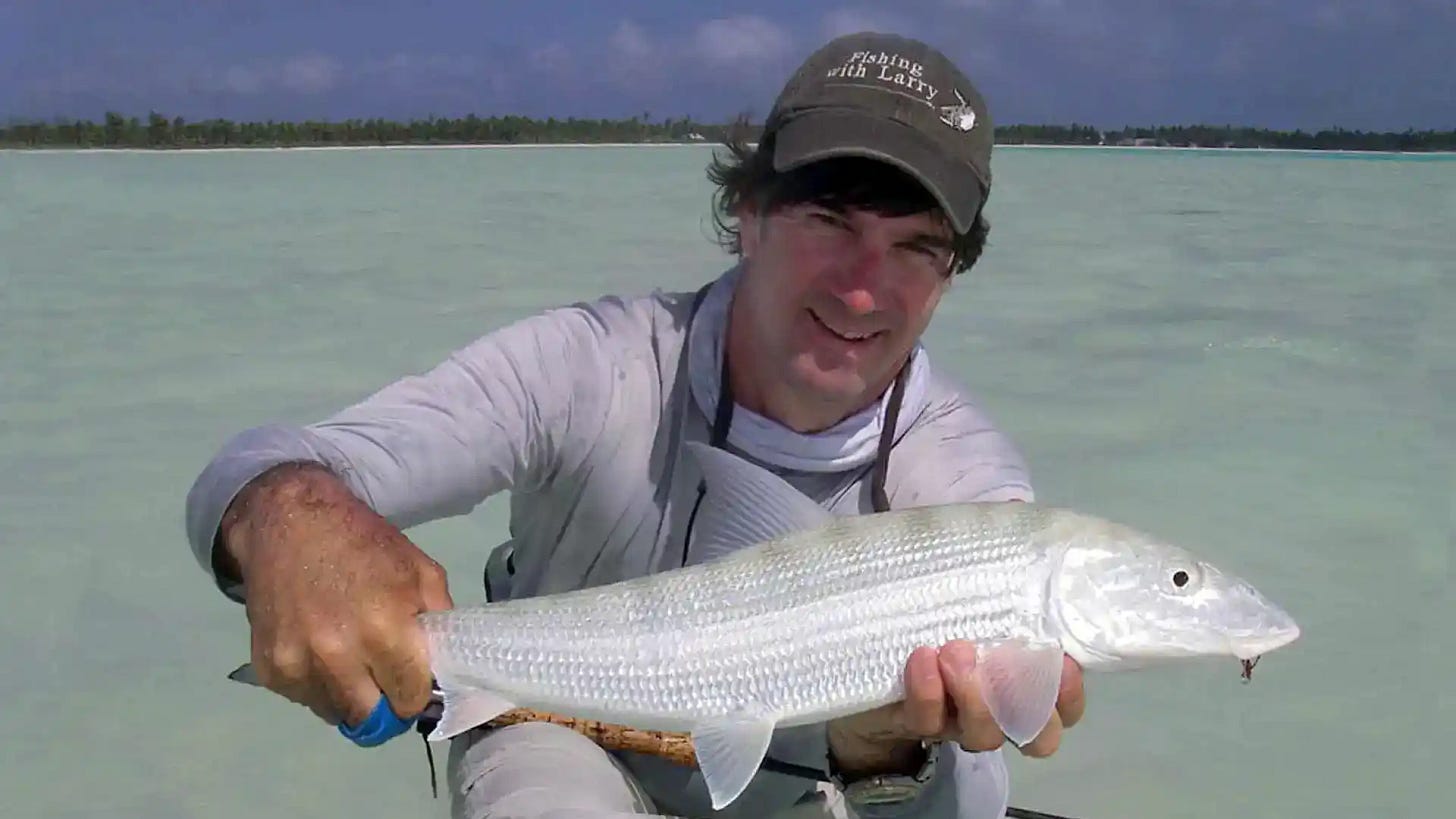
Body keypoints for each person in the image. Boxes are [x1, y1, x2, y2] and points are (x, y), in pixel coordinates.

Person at [184, 30, 1085, 819]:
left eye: (916, 248)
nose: (861, 287)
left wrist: (884, 754)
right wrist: (292, 518)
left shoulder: (968, 486)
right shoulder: (588, 368)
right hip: (561, 743)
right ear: (749, 214)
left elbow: (959, 796)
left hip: (821, 793)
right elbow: (273, 464)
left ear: (951, 273)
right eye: (829, 220)